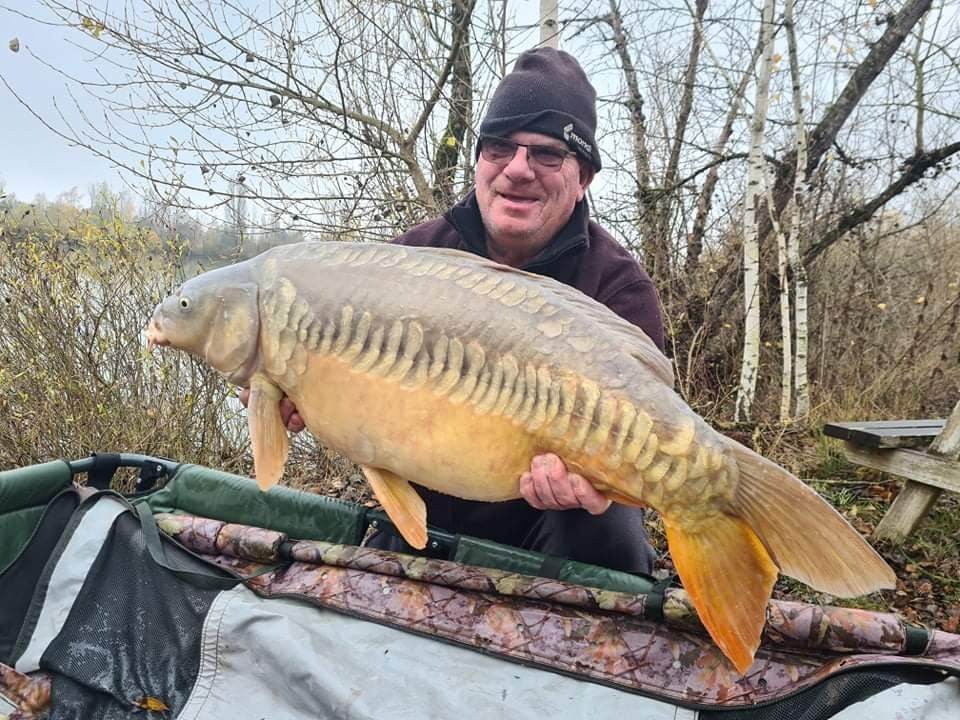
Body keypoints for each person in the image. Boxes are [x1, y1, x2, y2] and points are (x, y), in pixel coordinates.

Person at [243, 47, 665, 576]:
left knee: (611, 530)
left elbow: (645, 437)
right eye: (498, 148)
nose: (517, 169)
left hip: (553, 519)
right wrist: (306, 393)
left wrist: (604, 484)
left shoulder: (618, 287)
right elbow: (352, 382)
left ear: (583, 177)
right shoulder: (409, 259)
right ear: (479, 160)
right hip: (429, 506)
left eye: (547, 154)